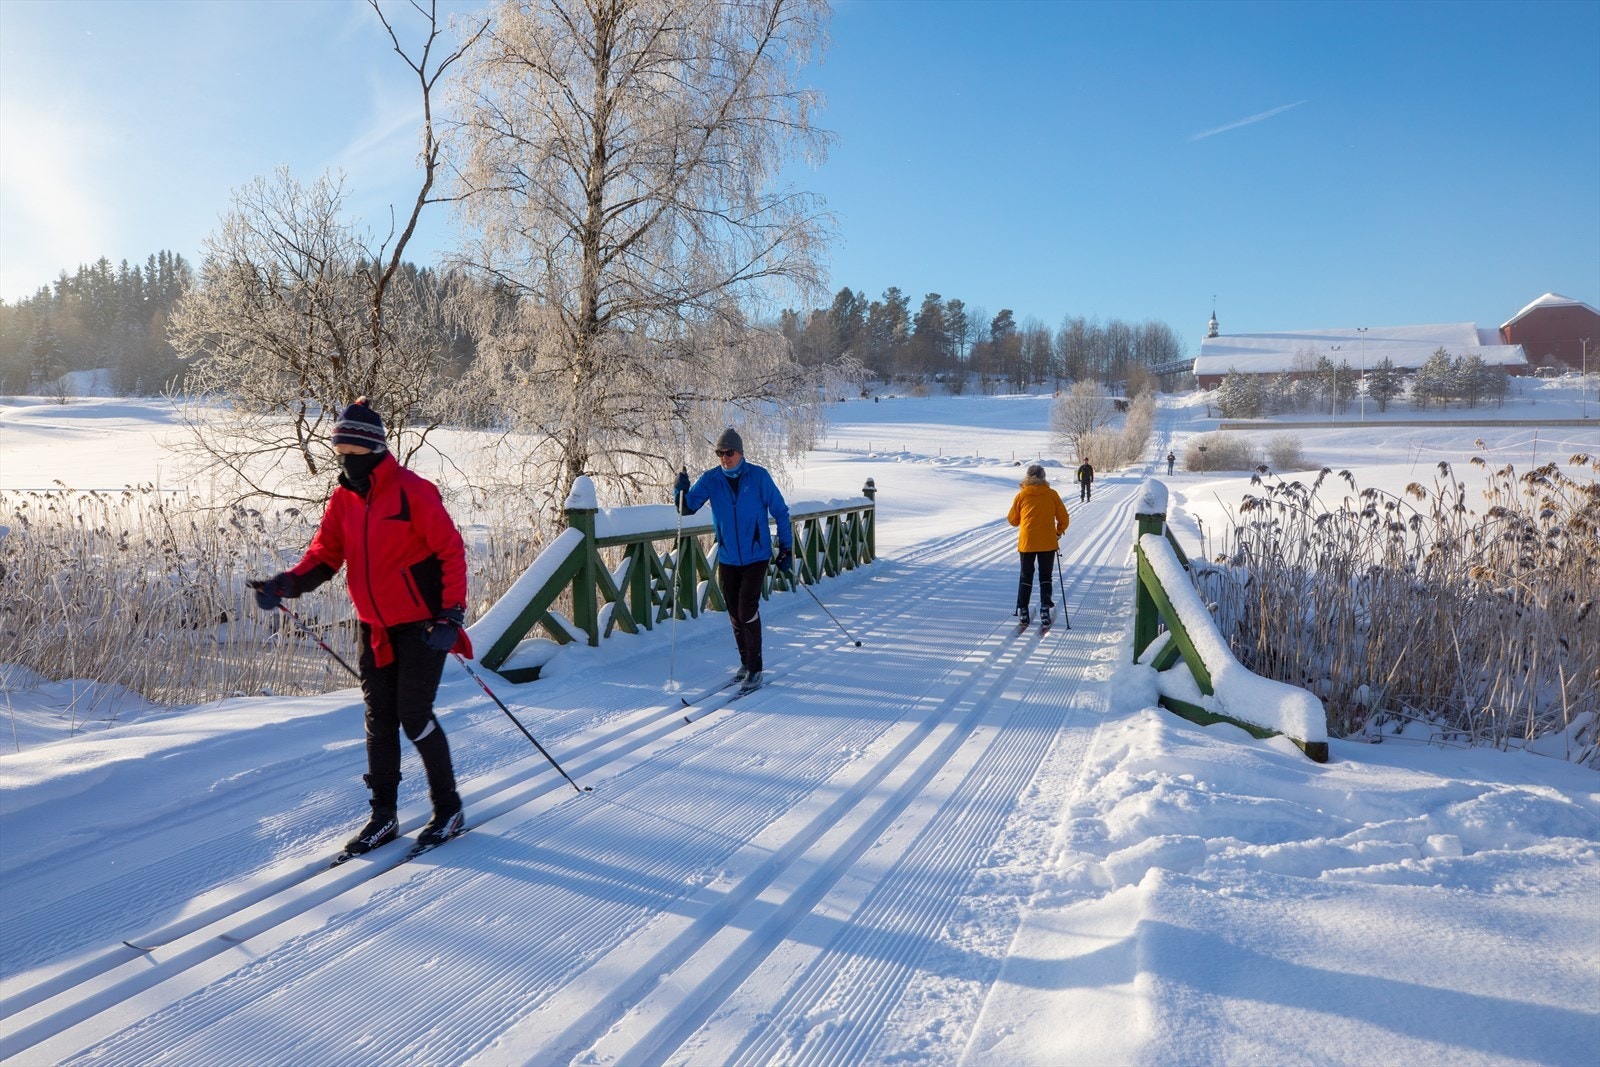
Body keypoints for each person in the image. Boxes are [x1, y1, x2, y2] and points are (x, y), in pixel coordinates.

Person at [252, 397, 471, 856]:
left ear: (374, 450)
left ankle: (448, 809)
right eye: (340, 454)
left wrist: (451, 615)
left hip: (424, 627)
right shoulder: (343, 499)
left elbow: (451, 550)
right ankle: (383, 816)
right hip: (374, 628)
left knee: (413, 715)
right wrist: (286, 584)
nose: (346, 462)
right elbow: (326, 555)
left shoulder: (413, 492)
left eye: (353, 453)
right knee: (379, 720)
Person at [674, 428, 793, 693]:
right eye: (720, 453)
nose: (725, 458)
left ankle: (756, 668)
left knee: (746, 608)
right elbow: (687, 508)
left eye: (729, 452)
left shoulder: (759, 477)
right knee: (733, 611)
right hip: (728, 555)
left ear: (740, 452)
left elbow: (781, 512)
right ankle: (745, 662)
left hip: (756, 554)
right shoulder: (711, 479)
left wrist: (786, 548)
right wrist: (679, 490)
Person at [1007, 463, 1069, 625]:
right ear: (1043, 477)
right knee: (1045, 576)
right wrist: (1057, 532)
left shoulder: (1021, 496)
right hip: (1048, 542)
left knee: (1026, 575)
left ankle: (1023, 612)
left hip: (1027, 542)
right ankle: (1044, 611)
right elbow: (1064, 518)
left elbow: (1013, 521)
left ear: (1028, 477)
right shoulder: (1051, 494)